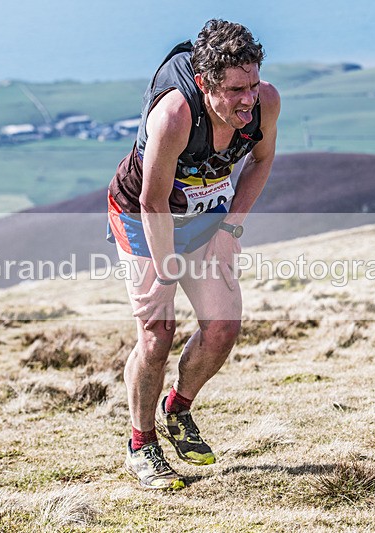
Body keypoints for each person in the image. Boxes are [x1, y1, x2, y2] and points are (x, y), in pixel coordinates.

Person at [106, 19, 280, 489]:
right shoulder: (175, 116)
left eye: (253, 82)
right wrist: (163, 275)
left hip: (205, 221)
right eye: (236, 89)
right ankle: (141, 445)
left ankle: (177, 409)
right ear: (205, 84)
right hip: (145, 217)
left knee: (223, 329)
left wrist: (231, 225)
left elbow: (261, 162)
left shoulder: (265, 103)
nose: (249, 99)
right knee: (157, 332)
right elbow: (151, 201)